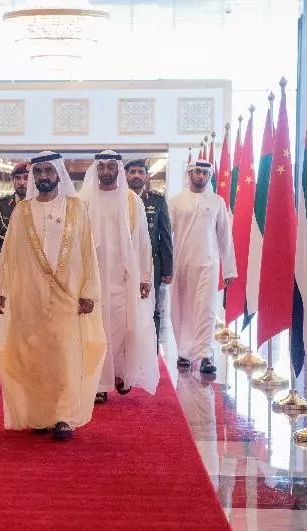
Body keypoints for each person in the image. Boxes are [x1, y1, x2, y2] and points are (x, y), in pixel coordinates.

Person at [0, 151, 106, 441]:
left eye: (48, 171)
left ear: (58, 173)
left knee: (66, 354)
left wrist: (89, 291)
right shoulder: (22, 211)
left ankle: (63, 416)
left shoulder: (76, 208)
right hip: (29, 295)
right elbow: (8, 255)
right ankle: (39, 415)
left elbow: (87, 252)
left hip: (68, 295)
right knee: (34, 354)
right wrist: (1, 289)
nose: (43, 176)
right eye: (39, 172)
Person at [79, 150, 158, 405]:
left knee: (124, 328)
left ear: (117, 169)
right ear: (96, 170)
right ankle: (99, 383)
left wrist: (145, 276)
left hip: (124, 279)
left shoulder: (132, 201)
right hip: (93, 279)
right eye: (101, 167)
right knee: (97, 330)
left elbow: (144, 242)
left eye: (110, 167)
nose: (105, 172)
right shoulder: (84, 200)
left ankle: (121, 372)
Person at [169, 160, 236, 374]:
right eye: (197, 172)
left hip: (209, 264)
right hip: (181, 264)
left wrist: (229, 269)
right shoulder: (176, 202)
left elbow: (225, 236)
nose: (201, 176)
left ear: (209, 176)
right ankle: (184, 352)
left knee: (207, 309)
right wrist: (165, 267)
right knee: (181, 309)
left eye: (205, 173)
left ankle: (205, 355)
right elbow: (167, 237)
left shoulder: (217, 202)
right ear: (190, 173)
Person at [125, 159, 173, 348]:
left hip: (153, 266)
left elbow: (165, 235)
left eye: (140, 172)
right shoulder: (118, 199)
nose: (136, 175)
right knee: (126, 309)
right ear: (126, 175)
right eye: (132, 172)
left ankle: (151, 352)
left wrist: (167, 269)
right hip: (124, 265)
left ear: (146, 176)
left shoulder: (156, 200)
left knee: (153, 309)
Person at [0, 161, 29, 292]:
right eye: (17, 178)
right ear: (13, 181)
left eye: (26, 178)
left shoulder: (40, 205)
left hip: (34, 269)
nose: (22, 182)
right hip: (6, 266)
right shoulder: (0, 204)